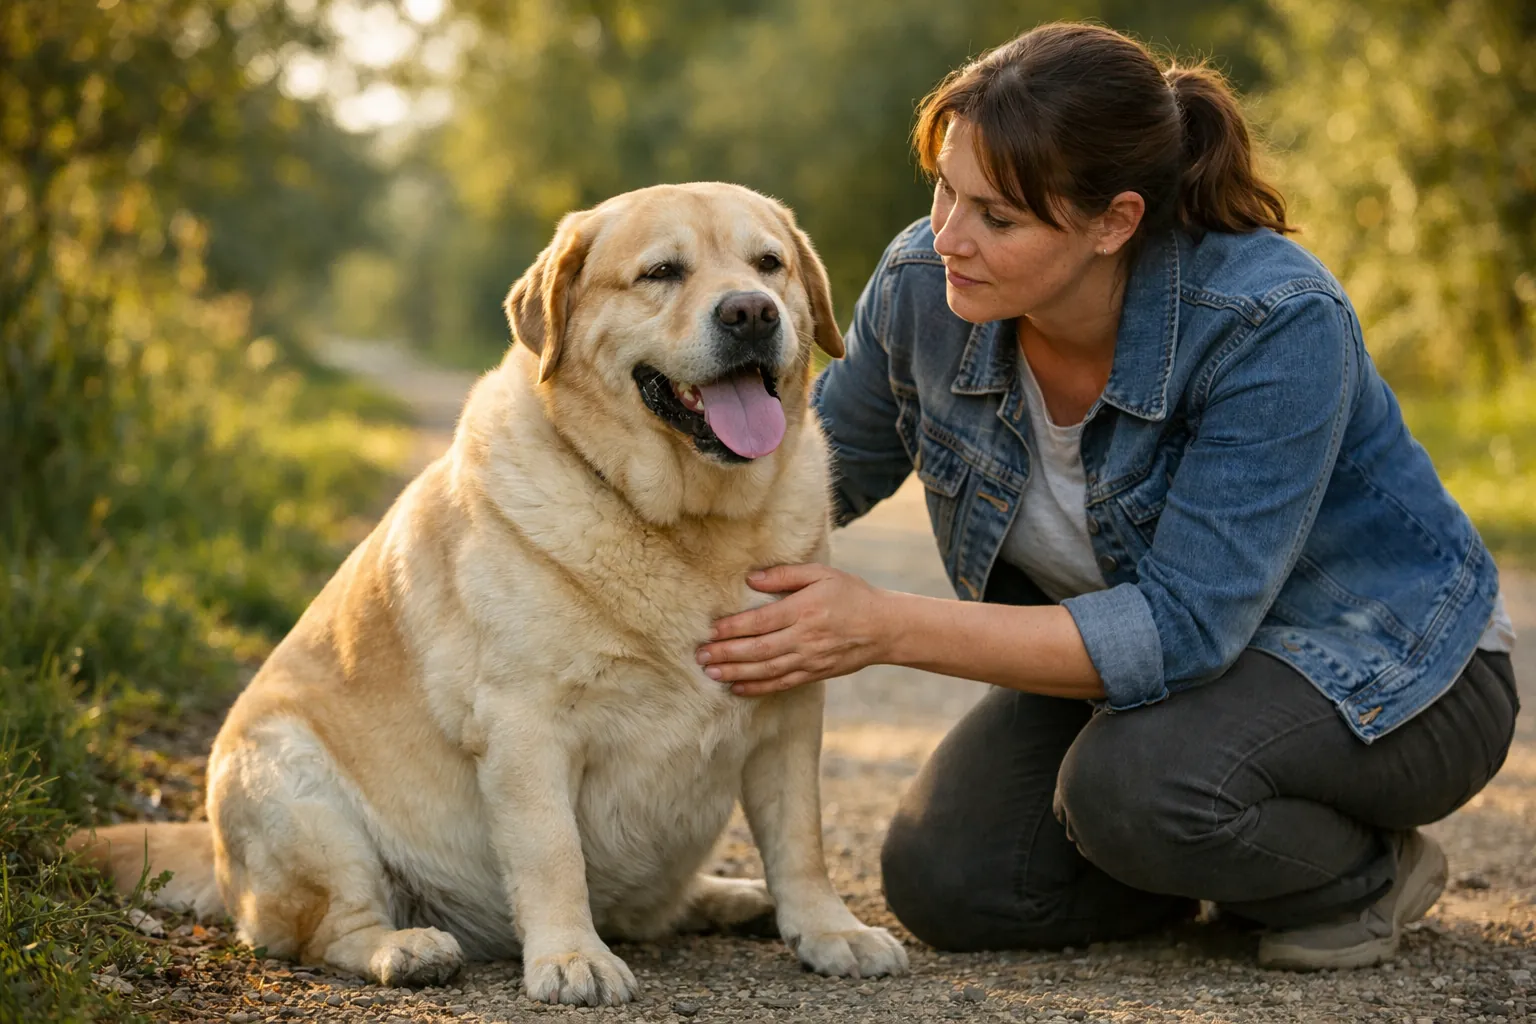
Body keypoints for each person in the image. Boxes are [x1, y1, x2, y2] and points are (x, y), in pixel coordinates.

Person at [692, 22, 1520, 970]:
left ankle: (1360, 874)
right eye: (944, 192)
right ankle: (1192, 846)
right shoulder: (926, 284)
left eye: (996, 218)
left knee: (1132, 790)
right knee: (948, 879)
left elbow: (1183, 630)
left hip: (1387, 672)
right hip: (1144, 687)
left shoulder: (1272, 323)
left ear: (1113, 222)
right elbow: (807, 475)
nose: (948, 237)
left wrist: (880, 625)